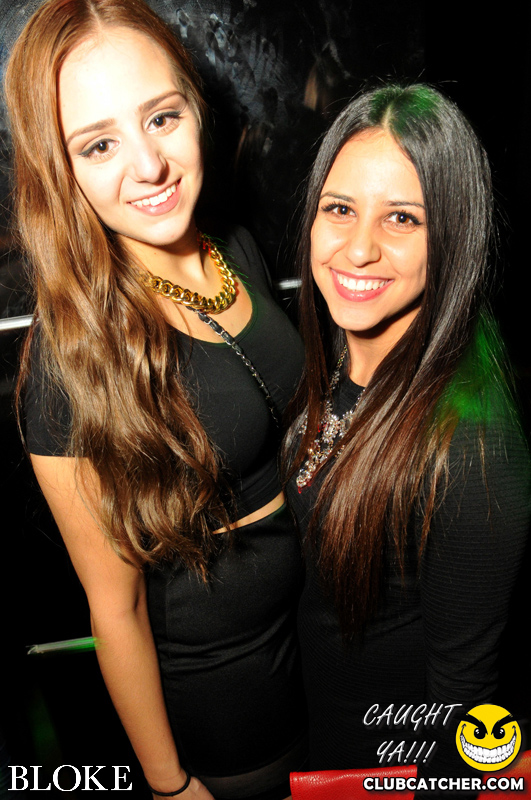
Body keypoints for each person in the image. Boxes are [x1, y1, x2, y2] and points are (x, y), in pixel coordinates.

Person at [4, 1, 307, 798]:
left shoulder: (230, 246)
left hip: (316, 637)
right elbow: (117, 611)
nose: (149, 166)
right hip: (232, 690)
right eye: (98, 144)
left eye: (162, 117)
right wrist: (170, 784)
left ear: (195, 109)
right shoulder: (69, 365)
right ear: (59, 169)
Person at [283, 84, 530, 779]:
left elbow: (467, 721)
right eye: (339, 209)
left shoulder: (471, 447)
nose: (358, 249)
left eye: (401, 218)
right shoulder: (342, 346)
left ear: (451, 235)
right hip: (322, 743)